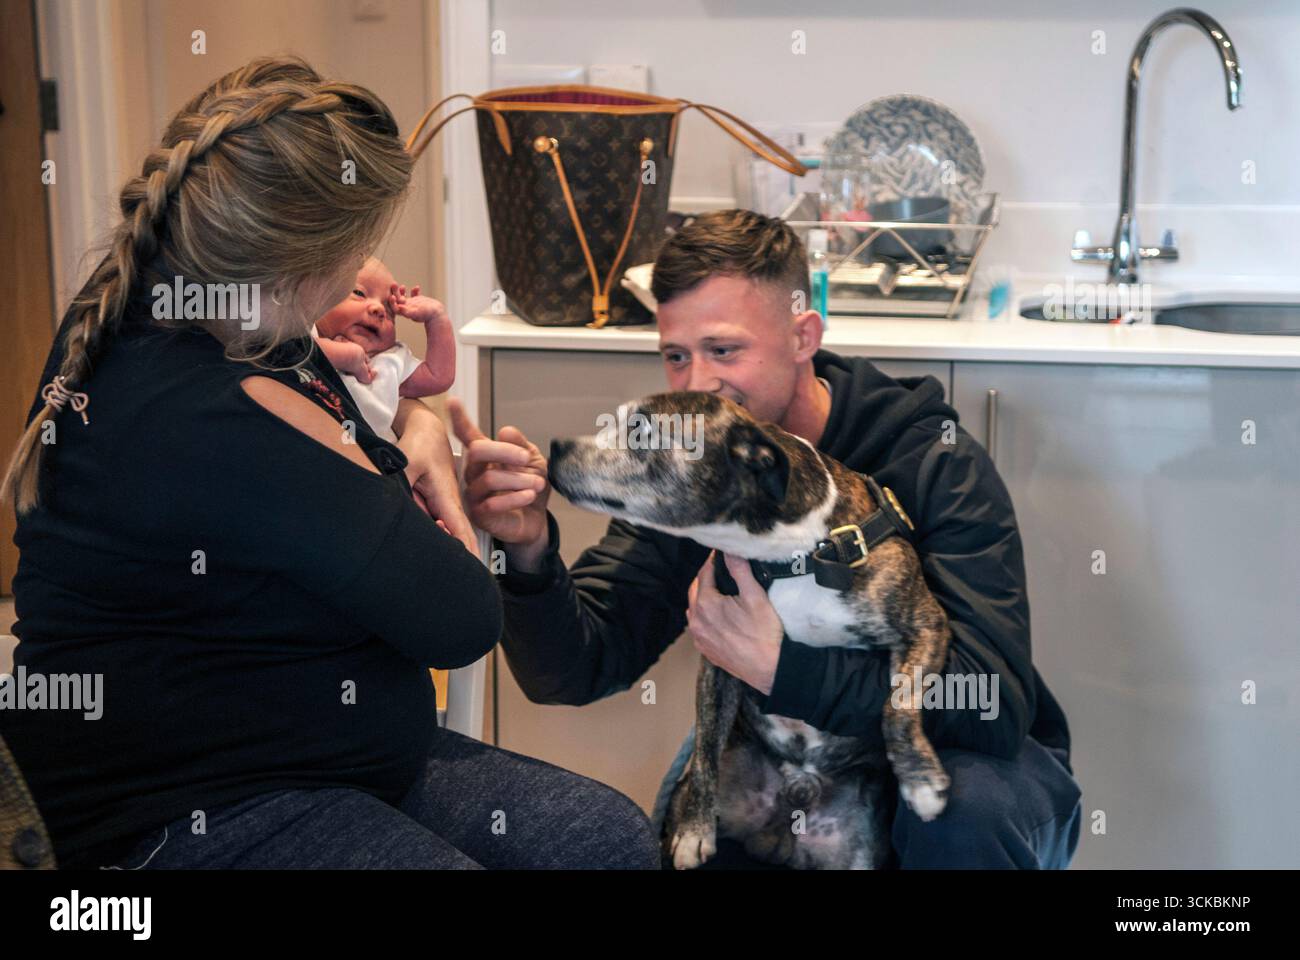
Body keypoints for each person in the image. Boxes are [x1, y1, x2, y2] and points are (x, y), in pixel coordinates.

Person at [0, 56, 658, 871]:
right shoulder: (220, 408)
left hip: (325, 755)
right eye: (361, 251)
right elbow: (460, 619)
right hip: (185, 805)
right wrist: (427, 469)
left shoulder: (178, 304)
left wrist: (416, 429)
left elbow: (375, 434)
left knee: (603, 838)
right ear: (305, 264)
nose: (365, 282)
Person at [452, 208, 1084, 870]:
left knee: (966, 814)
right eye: (676, 355)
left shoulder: (931, 459)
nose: (699, 384)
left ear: (803, 335)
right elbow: (577, 668)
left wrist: (786, 670)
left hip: (953, 756)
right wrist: (527, 554)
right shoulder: (695, 472)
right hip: (783, 753)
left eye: (724, 350)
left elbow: (990, 701)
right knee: (682, 831)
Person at [312, 257, 456, 443]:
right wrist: (347, 356)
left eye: (390, 312)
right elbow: (292, 355)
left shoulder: (388, 361)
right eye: (359, 293)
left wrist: (437, 319)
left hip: (375, 462)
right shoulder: (307, 334)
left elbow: (438, 377)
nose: (379, 309)